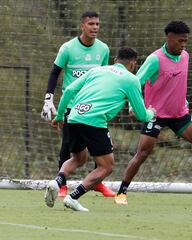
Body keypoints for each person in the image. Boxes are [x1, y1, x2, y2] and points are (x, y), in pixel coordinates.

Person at [114, 20, 192, 205]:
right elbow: (134, 83)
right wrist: (133, 106)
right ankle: (121, 193)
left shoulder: (185, 56)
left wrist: (183, 100)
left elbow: (178, 83)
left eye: (185, 41)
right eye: (180, 41)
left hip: (179, 114)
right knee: (143, 153)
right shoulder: (155, 59)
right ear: (170, 37)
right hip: (155, 114)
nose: (183, 45)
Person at [44, 47, 156, 212]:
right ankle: (73, 197)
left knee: (78, 158)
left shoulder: (97, 70)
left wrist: (60, 115)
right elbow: (141, 114)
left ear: (115, 60)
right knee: (106, 166)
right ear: (133, 63)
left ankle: (57, 181)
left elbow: (69, 90)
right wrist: (152, 113)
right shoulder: (131, 80)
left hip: (74, 116)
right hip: (94, 122)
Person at [41, 11, 115, 197]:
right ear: (82, 26)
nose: (95, 27)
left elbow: (104, 76)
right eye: (91, 24)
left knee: (100, 147)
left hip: (95, 106)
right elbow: (54, 73)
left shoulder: (103, 49)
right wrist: (48, 98)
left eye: (97, 24)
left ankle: (97, 183)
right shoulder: (67, 48)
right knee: (68, 145)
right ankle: (62, 186)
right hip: (71, 106)